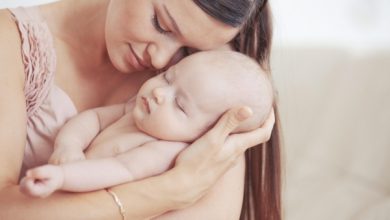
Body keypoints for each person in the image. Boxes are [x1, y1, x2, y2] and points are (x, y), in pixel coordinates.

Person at [0, 0, 280, 220]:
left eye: (190, 49)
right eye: (160, 24)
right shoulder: (9, 43)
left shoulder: (207, 81)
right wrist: (169, 191)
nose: (161, 59)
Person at [20, 51, 274, 198]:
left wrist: (63, 176)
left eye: (180, 105)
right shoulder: (134, 110)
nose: (160, 93)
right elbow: (92, 118)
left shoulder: (164, 151)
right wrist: (69, 146)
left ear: (203, 136)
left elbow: (116, 169)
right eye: (167, 77)